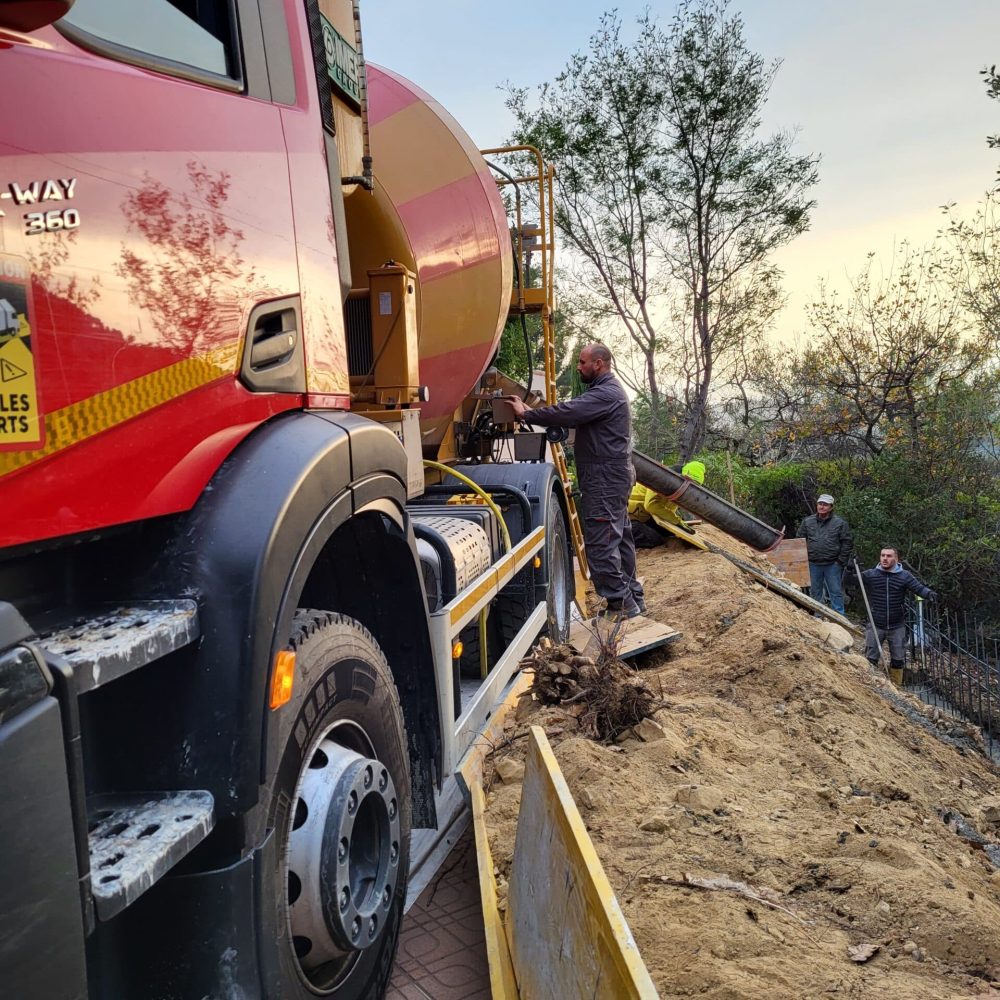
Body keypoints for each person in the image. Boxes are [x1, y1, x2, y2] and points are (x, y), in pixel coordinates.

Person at [507, 343, 643, 619]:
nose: (578, 367)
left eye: (582, 362)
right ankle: (633, 599)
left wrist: (527, 414)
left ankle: (621, 604)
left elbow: (570, 411)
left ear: (599, 364)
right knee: (619, 539)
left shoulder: (605, 394)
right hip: (611, 476)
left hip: (605, 478)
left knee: (601, 542)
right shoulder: (607, 392)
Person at [860, 547, 936, 685]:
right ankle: (871, 686)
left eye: (888, 556)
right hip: (876, 622)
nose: (885, 558)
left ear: (896, 558)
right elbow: (851, 580)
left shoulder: (904, 576)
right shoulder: (871, 574)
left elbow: (918, 588)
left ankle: (897, 688)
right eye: (882, 555)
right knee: (871, 658)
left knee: (898, 659)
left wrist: (929, 594)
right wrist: (849, 569)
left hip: (897, 625)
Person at [797, 493, 852, 615]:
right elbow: (799, 541)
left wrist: (840, 561)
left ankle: (839, 618)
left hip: (832, 564)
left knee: (836, 592)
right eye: (820, 504)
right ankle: (818, 617)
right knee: (815, 592)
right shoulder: (807, 522)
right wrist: (803, 560)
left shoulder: (840, 523)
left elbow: (847, 543)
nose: (822, 507)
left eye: (825, 505)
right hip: (813, 563)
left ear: (831, 507)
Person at [628, 461, 705, 546]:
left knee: (668, 533)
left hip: (646, 516)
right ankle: (622, 536)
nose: (688, 486)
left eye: (693, 484)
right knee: (654, 539)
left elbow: (667, 510)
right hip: (629, 516)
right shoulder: (661, 479)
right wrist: (677, 521)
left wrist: (679, 524)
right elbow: (651, 505)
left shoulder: (679, 489)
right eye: (688, 480)